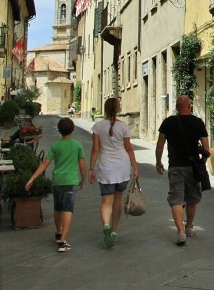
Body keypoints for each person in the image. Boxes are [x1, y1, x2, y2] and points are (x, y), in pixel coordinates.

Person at [155, 95, 210, 246]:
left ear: (177, 108)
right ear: (189, 106)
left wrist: (158, 161)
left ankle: (180, 232)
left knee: (176, 199)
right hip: (193, 166)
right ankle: (189, 227)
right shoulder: (198, 122)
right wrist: (202, 163)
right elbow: (206, 148)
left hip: (175, 166)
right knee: (192, 198)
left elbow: (160, 145)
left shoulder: (168, 122)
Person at [25, 117, 85, 253]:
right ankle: (63, 241)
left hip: (57, 180)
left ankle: (58, 233)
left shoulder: (55, 146)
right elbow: (82, 166)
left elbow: (45, 163)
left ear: (59, 130)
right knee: (68, 209)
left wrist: (32, 178)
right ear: (73, 129)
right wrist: (84, 179)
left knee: (57, 208)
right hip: (70, 180)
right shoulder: (77, 145)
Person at [88, 97, 138, 248]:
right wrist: (135, 166)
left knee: (106, 201)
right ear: (117, 109)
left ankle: (106, 227)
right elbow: (129, 148)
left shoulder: (97, 126)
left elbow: (96, 149)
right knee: (118, 199)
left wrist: (91, 169)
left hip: (106, 169)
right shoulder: (123, 127)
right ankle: (115, 231)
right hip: (122, 168)